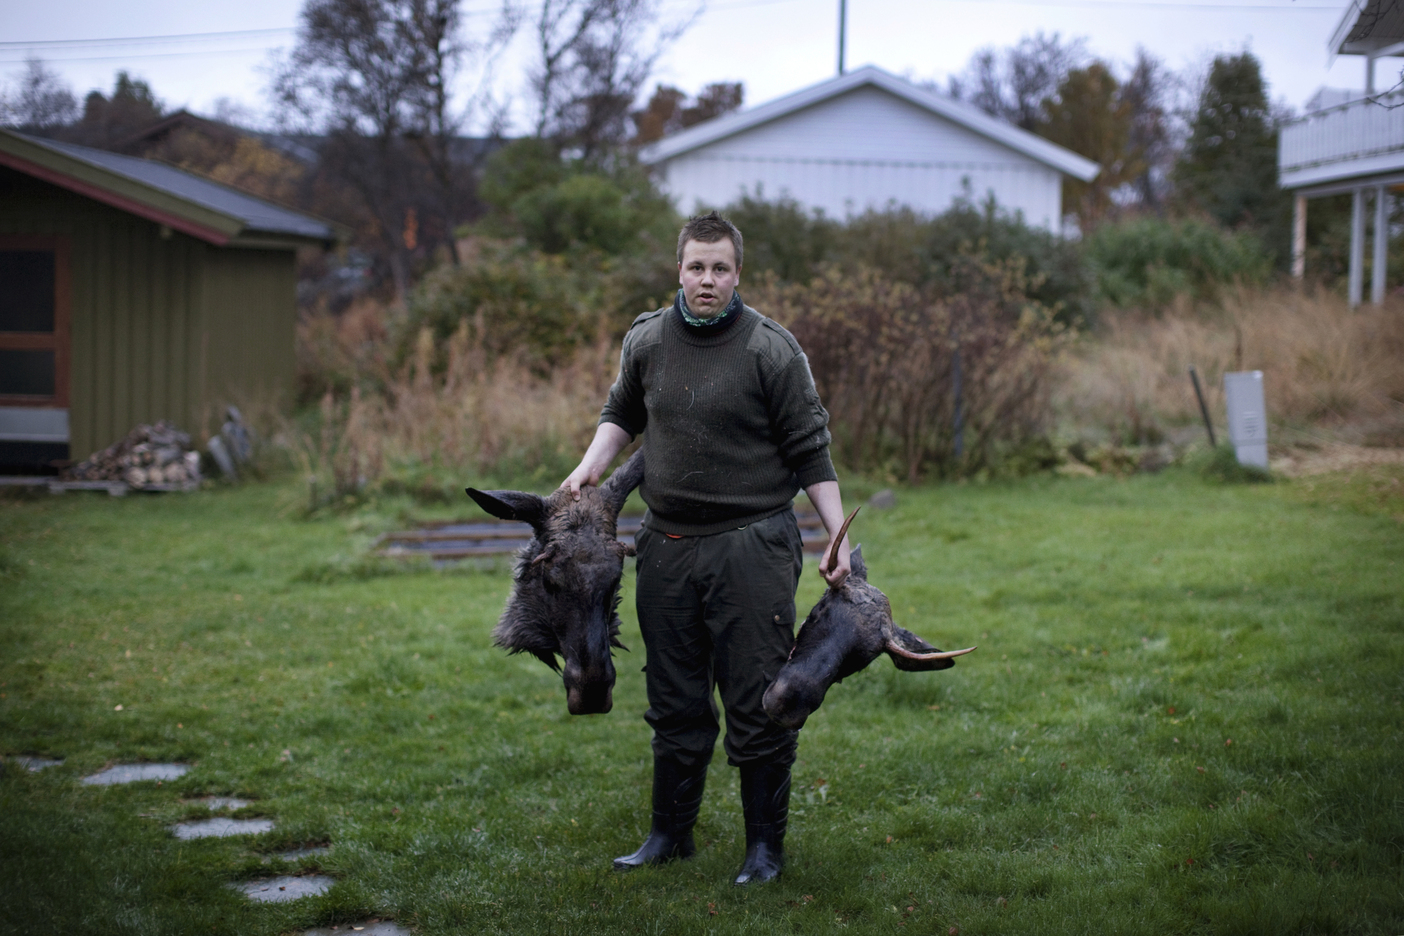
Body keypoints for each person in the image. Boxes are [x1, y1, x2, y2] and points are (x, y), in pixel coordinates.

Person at [561, 211, 851, 886]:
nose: (707, 280)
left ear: (738, 274)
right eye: (696, 267)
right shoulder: (648, 340)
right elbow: (623, 413)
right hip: (665, 547)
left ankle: (764, 851)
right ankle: (669, 834)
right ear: (679, 270)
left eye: (720, 268)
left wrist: (837, 538)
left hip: (751, 547)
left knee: (759, 699)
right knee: (674, 698)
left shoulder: (771, 351)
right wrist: (589, 469)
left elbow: (812, 453)